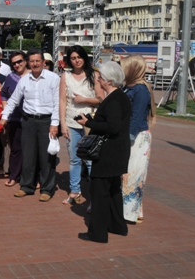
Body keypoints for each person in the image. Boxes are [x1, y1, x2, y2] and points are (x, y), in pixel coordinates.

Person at [76, 61, 131, 243]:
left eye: (100, 77)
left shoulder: (114, 100)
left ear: (109, 81)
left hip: (108, 153)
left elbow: (113, 127)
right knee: (114, 190)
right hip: (117, 151)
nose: (98, 79)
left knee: (99, 192)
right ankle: (117, 225)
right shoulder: (120, 97)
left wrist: (89, 123)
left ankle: (97, 233)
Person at [0, 48, 60, 202]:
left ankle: (47, 189)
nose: (35, 64)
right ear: (28, 63)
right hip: (28, 121)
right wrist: (5, 116)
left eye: (37, 61)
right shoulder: (24, 80)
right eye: (32, 61)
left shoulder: (53, 78)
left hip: (47, 121)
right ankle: (27, 186)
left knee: (46, 157)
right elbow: (13, 100)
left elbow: (57, 103)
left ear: (43, 62)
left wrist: (54, 123)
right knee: (28, 155)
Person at [59, 46, 104, 205]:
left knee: (91, 160)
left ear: (84, 57)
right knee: (74, 159)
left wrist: (84, 100)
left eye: (79, 57)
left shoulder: (94, 75)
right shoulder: (66, 76)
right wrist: (63, 123)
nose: (77, 60)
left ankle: (94, 196)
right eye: (73, 58)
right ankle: (74, 191)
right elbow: (62, 100)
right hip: (71, 122)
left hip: (90, 123)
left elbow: (101, 99)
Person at [120, 55, 156, 224]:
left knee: (133, 176)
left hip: (137, 137)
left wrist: (128, 138)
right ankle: (131, 211)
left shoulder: (141, 90)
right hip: (129, 135)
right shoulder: (128, 88)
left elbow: (136, 116)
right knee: (127, 175)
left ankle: (131, 213)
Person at [0, 51, 29, 185]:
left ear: (25, 61)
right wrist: (6, 110)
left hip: (31, 119)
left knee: (31, 150)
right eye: (14, 63)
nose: (17, 65)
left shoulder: (34, 75)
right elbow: (4, 93)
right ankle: (14, 176)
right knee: (16, 149)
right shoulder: (10, 77)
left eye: (19, 61)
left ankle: (30, 177)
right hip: (15, 119)